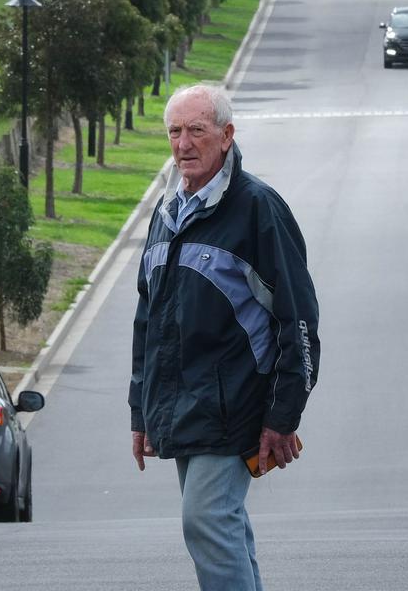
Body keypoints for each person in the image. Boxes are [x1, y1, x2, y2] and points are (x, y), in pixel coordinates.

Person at [130, 84, 320, 591]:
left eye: (197, 130)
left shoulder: (258, 208)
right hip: (181, 410)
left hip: (235, 409)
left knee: (207, 522)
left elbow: (298, 319)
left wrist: (283, 415)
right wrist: (141, 413)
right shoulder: (167, 214)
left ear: (227, 135)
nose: (183, 144)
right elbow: (148, 321)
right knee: (225, 529)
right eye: (175, 131)